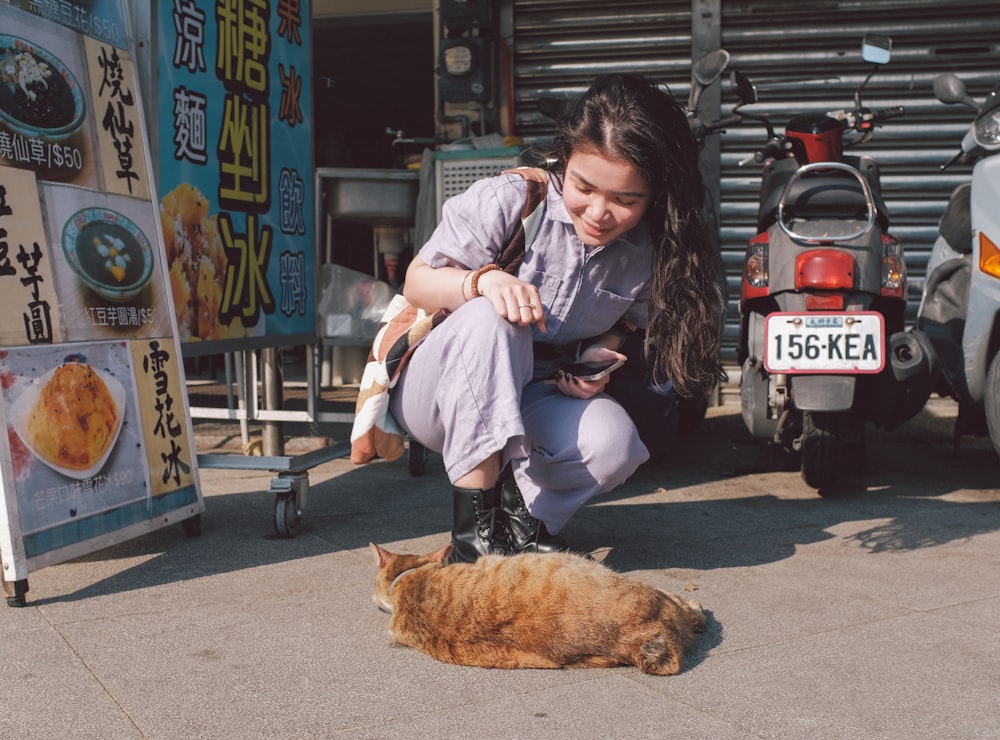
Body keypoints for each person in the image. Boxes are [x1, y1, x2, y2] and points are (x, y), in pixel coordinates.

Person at [389, 73, 726, 563]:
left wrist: (598, 354)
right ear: (564, 158)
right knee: (494, 317)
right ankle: (475, 538)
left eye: (625, 200)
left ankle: (523, 523)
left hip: (538, 389)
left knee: (614, 443)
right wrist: (482, 282)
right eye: (584, 186)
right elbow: (417, 281)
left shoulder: (654, 249)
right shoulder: (510, 200)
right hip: (439, 390)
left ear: (655, 195)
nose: (599, 212)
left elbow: (630, 321)